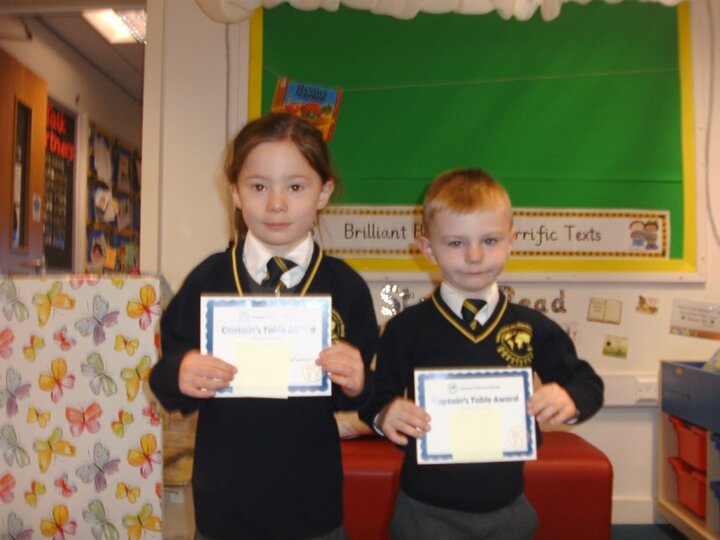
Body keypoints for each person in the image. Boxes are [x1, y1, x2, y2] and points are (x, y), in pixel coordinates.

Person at [149, 112, 379, 540]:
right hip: (224, 512)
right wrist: (180, 373)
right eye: (259, 186)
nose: (276, 203)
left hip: (313, 512)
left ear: (324, 193)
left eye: (295, 187)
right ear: (235, 193)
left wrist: (358, 381)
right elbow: (163, 376)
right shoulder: (208, 279)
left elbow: (367, 397)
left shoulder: (345, 288)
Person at [359, 168, 604, 540]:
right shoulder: (405, 328)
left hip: (508, 508)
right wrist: (384, 413)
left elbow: (587, 382)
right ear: (428, 248)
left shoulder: (532, 326)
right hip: (423, 512)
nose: (474, 256)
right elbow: (374, 394)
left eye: (490, 240)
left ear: (511, 241)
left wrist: (570, 399)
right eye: (456, 243)